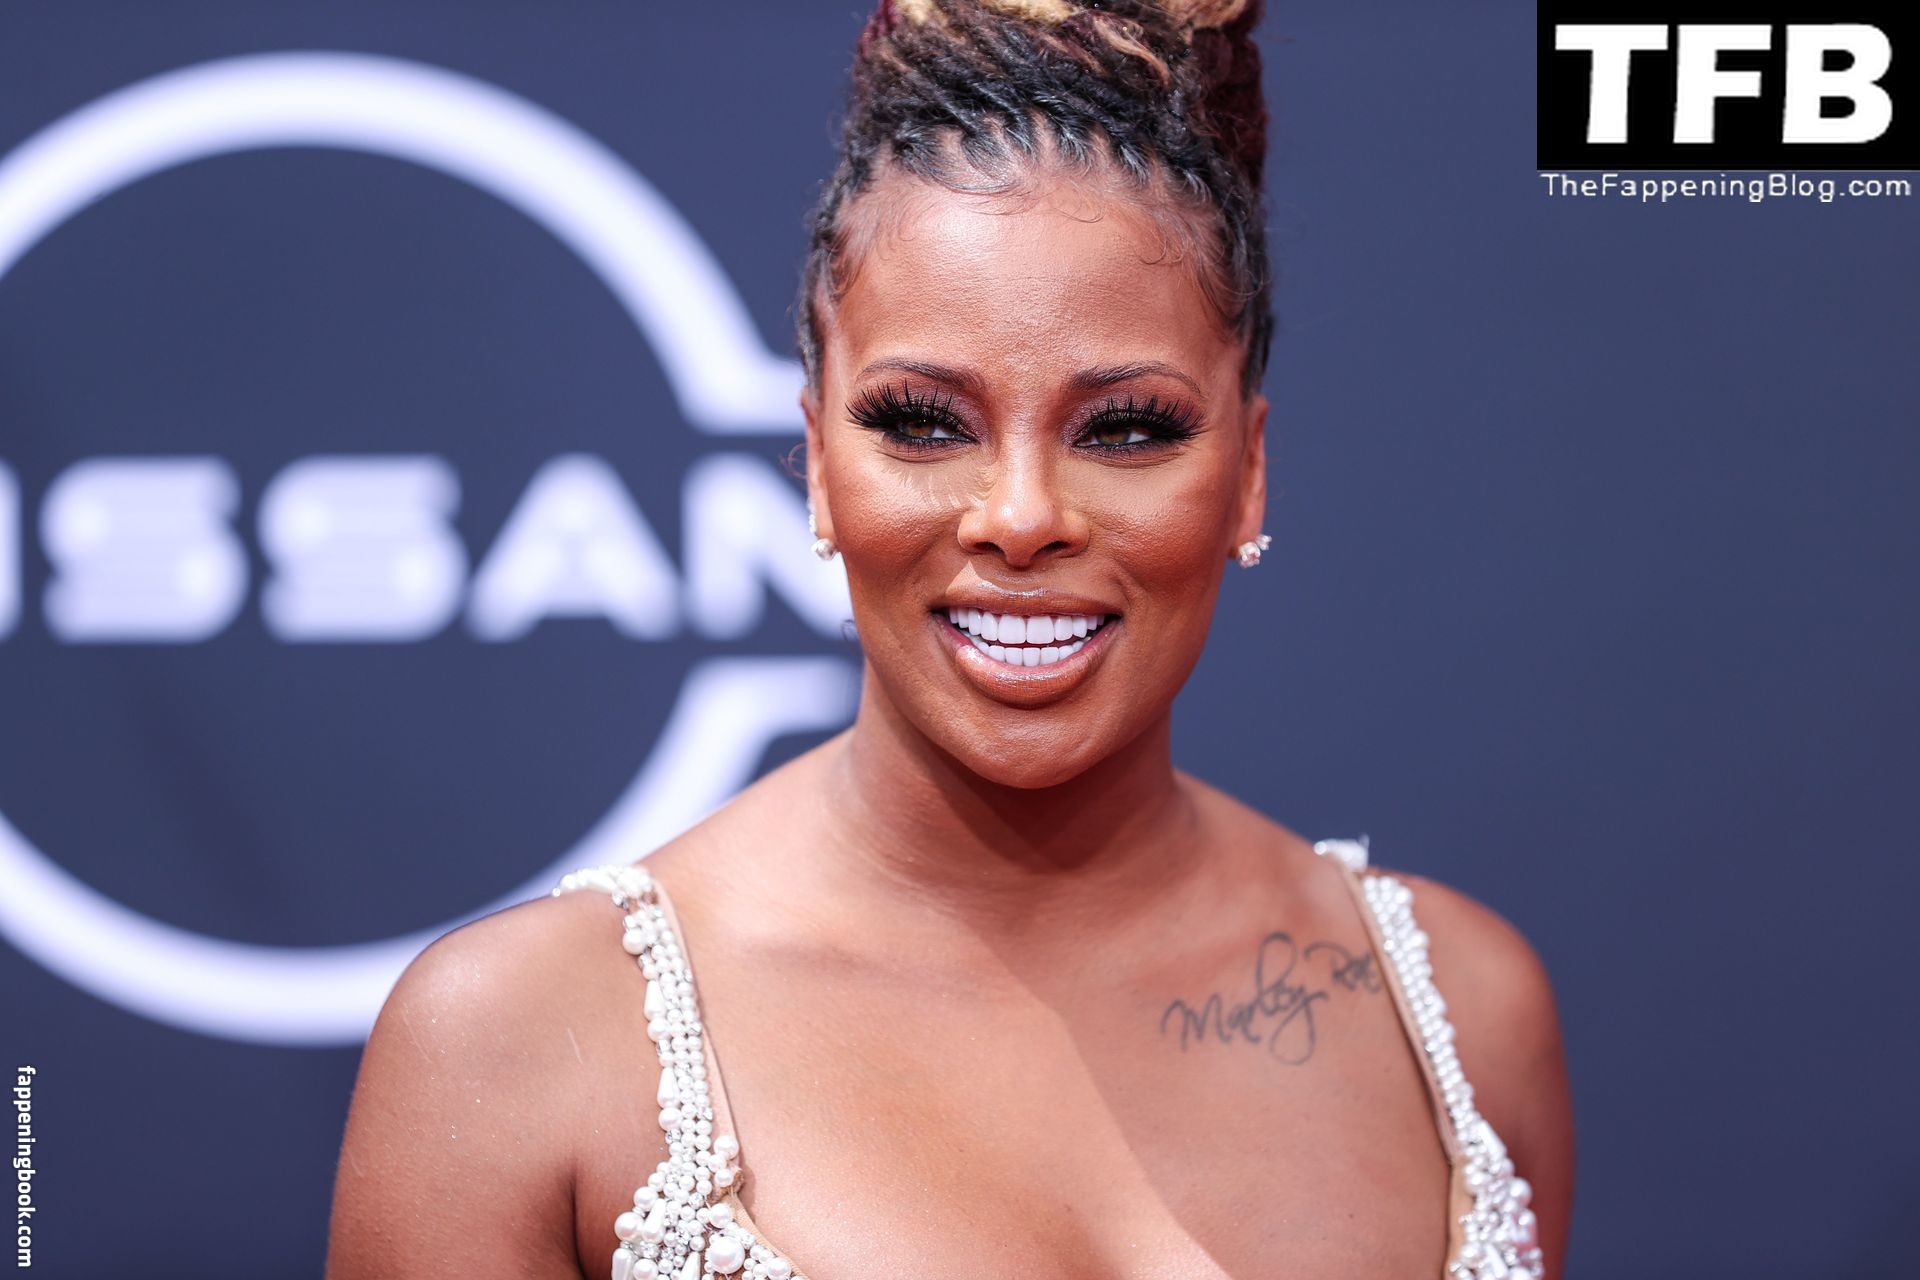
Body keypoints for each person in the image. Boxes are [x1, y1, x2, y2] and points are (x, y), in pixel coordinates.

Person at [325, 2, 1575, 1277]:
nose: (1021, 516)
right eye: (923, 422)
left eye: (1128, 428)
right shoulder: (518, 1040)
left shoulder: (1465, 1012)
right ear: (817, 460)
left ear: (1248, 472)